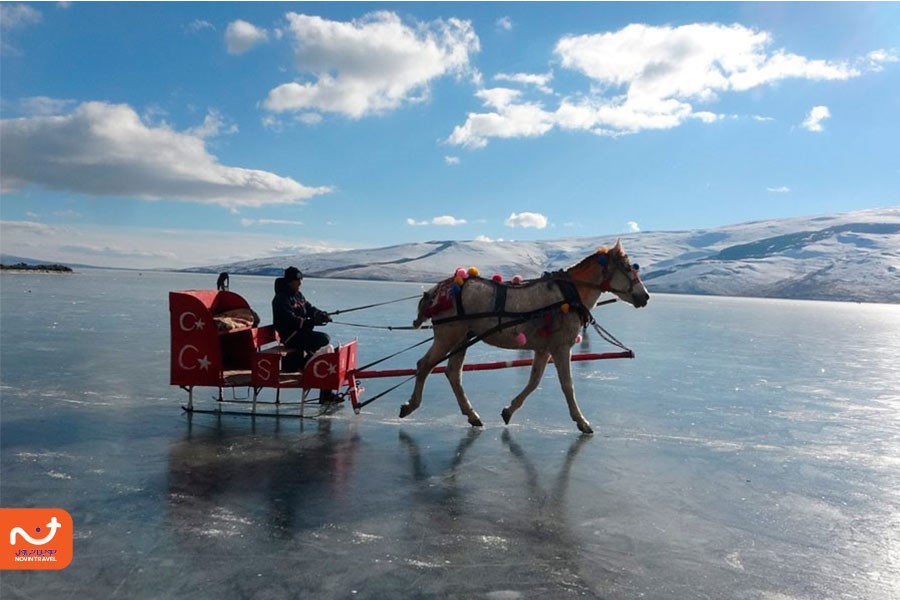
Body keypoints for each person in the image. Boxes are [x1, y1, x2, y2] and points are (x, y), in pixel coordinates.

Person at [272, 266, 340, 403]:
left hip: (301, 333)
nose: (300, 283)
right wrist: (311, 321)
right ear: (290, 281)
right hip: (291, 336)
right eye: (298, 281)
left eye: (300, 280)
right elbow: (290, 320)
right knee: (323, 339)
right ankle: (305, 365)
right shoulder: (281, 299)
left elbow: (309, 308)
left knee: (325, 348)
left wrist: (321, 314)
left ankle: (325, 392)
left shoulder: (298, 295)